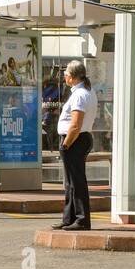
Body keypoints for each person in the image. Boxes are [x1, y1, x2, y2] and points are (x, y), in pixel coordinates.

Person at [53, 59, 98, 231]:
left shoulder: (80, 95)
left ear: (72, 77)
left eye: (65, 74)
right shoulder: (86, 91)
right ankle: (69, 218)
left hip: (75, 140)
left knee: (76, 181)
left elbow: (75, 124)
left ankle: (81, 219)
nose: (64, 77)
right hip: (78, 139)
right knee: (71, 182)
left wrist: (66, 144)